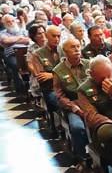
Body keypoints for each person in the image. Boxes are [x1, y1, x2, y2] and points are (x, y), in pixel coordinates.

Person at [52, 38, 90, 168]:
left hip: (93, 103)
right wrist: (74, 108)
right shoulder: (58, 70)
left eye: (78, 46)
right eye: (73, 47)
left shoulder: (89, 64)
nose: (77, 50)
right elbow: (59, 96)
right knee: (77, 127)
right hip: (74, 105)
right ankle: (81, 157)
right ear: (65, 51)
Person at [29, 25, 62, 134]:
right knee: (61, 103)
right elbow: (42, 77)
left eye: (59, 36)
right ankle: (62, 125)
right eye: (54, 36)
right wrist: (60, 74)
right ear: (47, 36)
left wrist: (52, 75)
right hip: (51, 89)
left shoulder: (63, 50)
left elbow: (71, 72)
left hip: (67, 87)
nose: (57, 39)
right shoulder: (38, 54)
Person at [0, 14, 30, 95]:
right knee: (16, 65)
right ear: (4, 23)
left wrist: (13, 40)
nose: (11, 23)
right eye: (8, 22)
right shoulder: (3, 33)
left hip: (26, 52)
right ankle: (20, 90)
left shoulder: (22, 30)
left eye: (12, 21)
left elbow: (28, 40)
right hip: (12, 54)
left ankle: (31, 87)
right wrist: (20, 38)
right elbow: (6, 41)